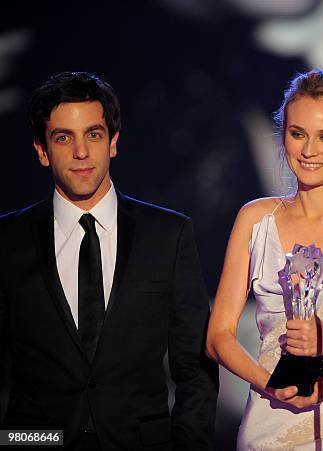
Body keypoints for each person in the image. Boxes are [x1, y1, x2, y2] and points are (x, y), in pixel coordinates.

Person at [0, 72, 218, 450]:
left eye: (94, 134)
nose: (81, 152)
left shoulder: (168, 236)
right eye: (63, 137)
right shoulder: (6, 241)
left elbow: (194, 366)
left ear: (113, 142)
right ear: (41, 150)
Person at [206, 69, 323, 450]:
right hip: (269, 430)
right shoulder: (256, 220)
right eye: (297, 134)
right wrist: (271, 385)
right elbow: (218, 337)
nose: (308, 150)